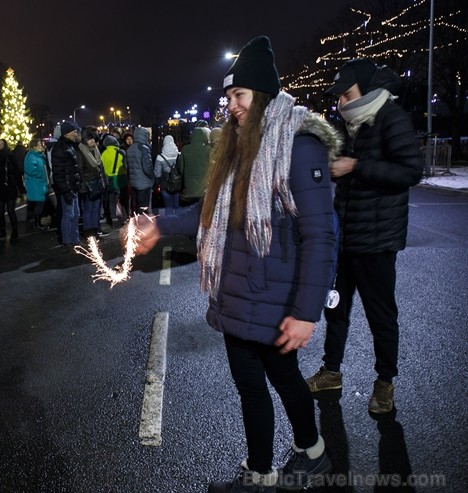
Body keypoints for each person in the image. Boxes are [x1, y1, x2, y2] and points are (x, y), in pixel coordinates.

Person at [128, 36, 340, 492]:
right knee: (250, 387)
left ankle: (313, 452)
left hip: (276, 295)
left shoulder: (298, 145)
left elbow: (321, 234)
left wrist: (306, 313)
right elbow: (209, 209)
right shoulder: (241, 145)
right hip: (237, 290)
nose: (231, 106)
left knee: (284, 379)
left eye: (239, 95)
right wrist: (161, 225)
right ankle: (260, 471)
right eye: (227, 97)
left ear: (261, 95)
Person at [305, 58, 423, 414]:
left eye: (346, 94)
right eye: (339, 97)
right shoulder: (352, 126)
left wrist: (355, 166)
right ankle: (331, 371)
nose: (340, 102)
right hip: (347, 239)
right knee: (336, 308)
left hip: (377, 241)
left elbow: (411, 170)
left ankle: (384, 383)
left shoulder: (391, 117)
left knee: (380, 314)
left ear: (366, 90)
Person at [51, 121, 82, 248]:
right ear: (67, 133)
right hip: (67, 189)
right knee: (68, 214)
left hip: (72, 187)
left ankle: (75, 239)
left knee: (76, 214)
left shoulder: (69, 146)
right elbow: (59, 174)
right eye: (74, 132)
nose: (76, 134)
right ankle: (67, 240)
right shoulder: (60, 149)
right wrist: (66, 191)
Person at [76, 126, 107, 238]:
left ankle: (94, 230)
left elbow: (101, 167)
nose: (93, 141)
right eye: (90, 139)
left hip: (97, 183)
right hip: (87, 185)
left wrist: (104, 181)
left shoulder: (96, 150)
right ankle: (88, 231)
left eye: (94, 139)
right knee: (88, 208)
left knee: (95, 208)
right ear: (84, 140)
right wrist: (83, 185)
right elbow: (79, 170)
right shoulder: (80, 151)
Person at [0, 139, 23, 242]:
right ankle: (2, 230)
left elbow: (17, 172)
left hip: (9, 187)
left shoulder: (10, 156)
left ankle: (15, 232)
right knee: (0, 212)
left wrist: (20, 187)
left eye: (1, 144)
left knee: (10, 211)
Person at [177, 125, 211, 205]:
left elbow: (181, 168)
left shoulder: (185, 149)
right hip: (204, 188)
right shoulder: (208, 149)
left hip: (189, 188)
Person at [100, 135, 129, 226]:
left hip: (110, 179)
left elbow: (101, 167)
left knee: (112, 200)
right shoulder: (121, 152)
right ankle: (125, 218)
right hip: (121, 178)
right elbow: (126, 166)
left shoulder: (103, 153)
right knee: (123, 200)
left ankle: (114, 218)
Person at [125, 127, 154, 214]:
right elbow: (147, 168)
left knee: (136, 205)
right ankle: (143, 225)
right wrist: (152, 177)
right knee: (144, 207)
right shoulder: (144, 148)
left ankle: (137, 224)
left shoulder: (130, 148)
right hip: (144, 183)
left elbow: (126, 166)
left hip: (133, 182)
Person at [23, 137, 50, 230]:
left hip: (39, 183)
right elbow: (30, 170)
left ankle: (37, 223)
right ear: (33, 146)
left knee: (39, 204)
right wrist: (41, 175)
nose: (40, 146)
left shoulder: (38, 156)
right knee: (39, 204)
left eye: (40, 144)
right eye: (38, 145)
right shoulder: (31, 156)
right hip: (36, 184)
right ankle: (37, 223)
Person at [154, 134, 181, 215]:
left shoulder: (160, 157)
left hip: (165, 184)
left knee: (168, 206)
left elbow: (157, 174)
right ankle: (179, 225)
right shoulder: (179, 154)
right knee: (177, 206)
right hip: (177, 184)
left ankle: (169, 225)